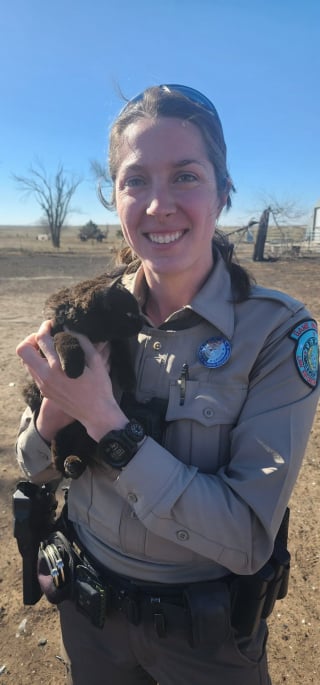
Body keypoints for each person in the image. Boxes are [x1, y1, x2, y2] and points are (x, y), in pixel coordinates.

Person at [15, 84, 319, 685]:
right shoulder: (88, 315)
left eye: (185, 176)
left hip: (202, 642)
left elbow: (248, 539)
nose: (158, 205)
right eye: (136, 181)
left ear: (223, 192)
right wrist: (53, 413)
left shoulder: (278, 333)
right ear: (115, 196)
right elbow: (33, 465)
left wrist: (106, 422)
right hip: (91, 618)